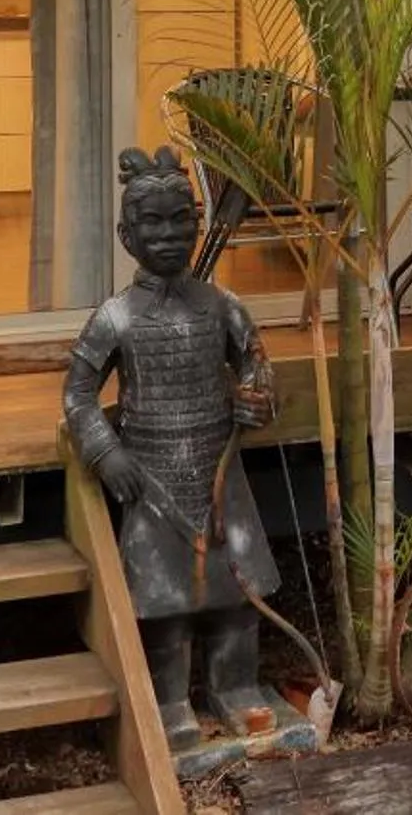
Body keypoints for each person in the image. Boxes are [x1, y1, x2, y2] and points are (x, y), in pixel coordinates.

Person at [61, 145, 284, 748]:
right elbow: (79, 395)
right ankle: (168, 702)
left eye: (180, 219)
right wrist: (107, 454)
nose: (167, 234)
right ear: (125, 234)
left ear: (198, 223)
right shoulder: (114, 318)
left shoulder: (223, 306)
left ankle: (236, 689)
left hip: (218, 472)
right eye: (151, 223)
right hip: (152, 479)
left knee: (237, 598)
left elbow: (260, 372)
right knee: (165, 604)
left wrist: (256, 400)